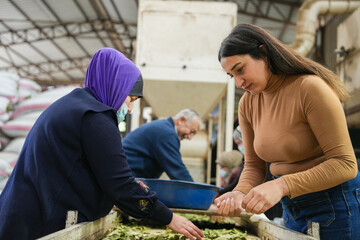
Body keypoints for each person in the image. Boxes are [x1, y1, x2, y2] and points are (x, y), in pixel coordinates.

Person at [0, 48, 203, 240]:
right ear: (116, 86)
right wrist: (168, 217)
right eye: (130, 99)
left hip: (21, 212)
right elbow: (120, 183)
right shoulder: (96, 118)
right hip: (38, 222)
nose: (130, 109)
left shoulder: (75, 105)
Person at [214, 23, 359, 239]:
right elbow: (254, 166)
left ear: (263, 53)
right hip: (290, 208)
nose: (238, 82)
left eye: (240, 69)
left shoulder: (310, 88)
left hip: (334, 205)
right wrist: (238, 192)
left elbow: (345, 164)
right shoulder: (248, 104)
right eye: (231, 75)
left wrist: (282, 185)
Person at [123, 109, 201, 181]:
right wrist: (198, 191)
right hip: (125, 177)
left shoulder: (163, 127)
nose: (190, 137)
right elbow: (177, 170)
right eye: (192, 131)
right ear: (181, 120)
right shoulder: (166, 134)